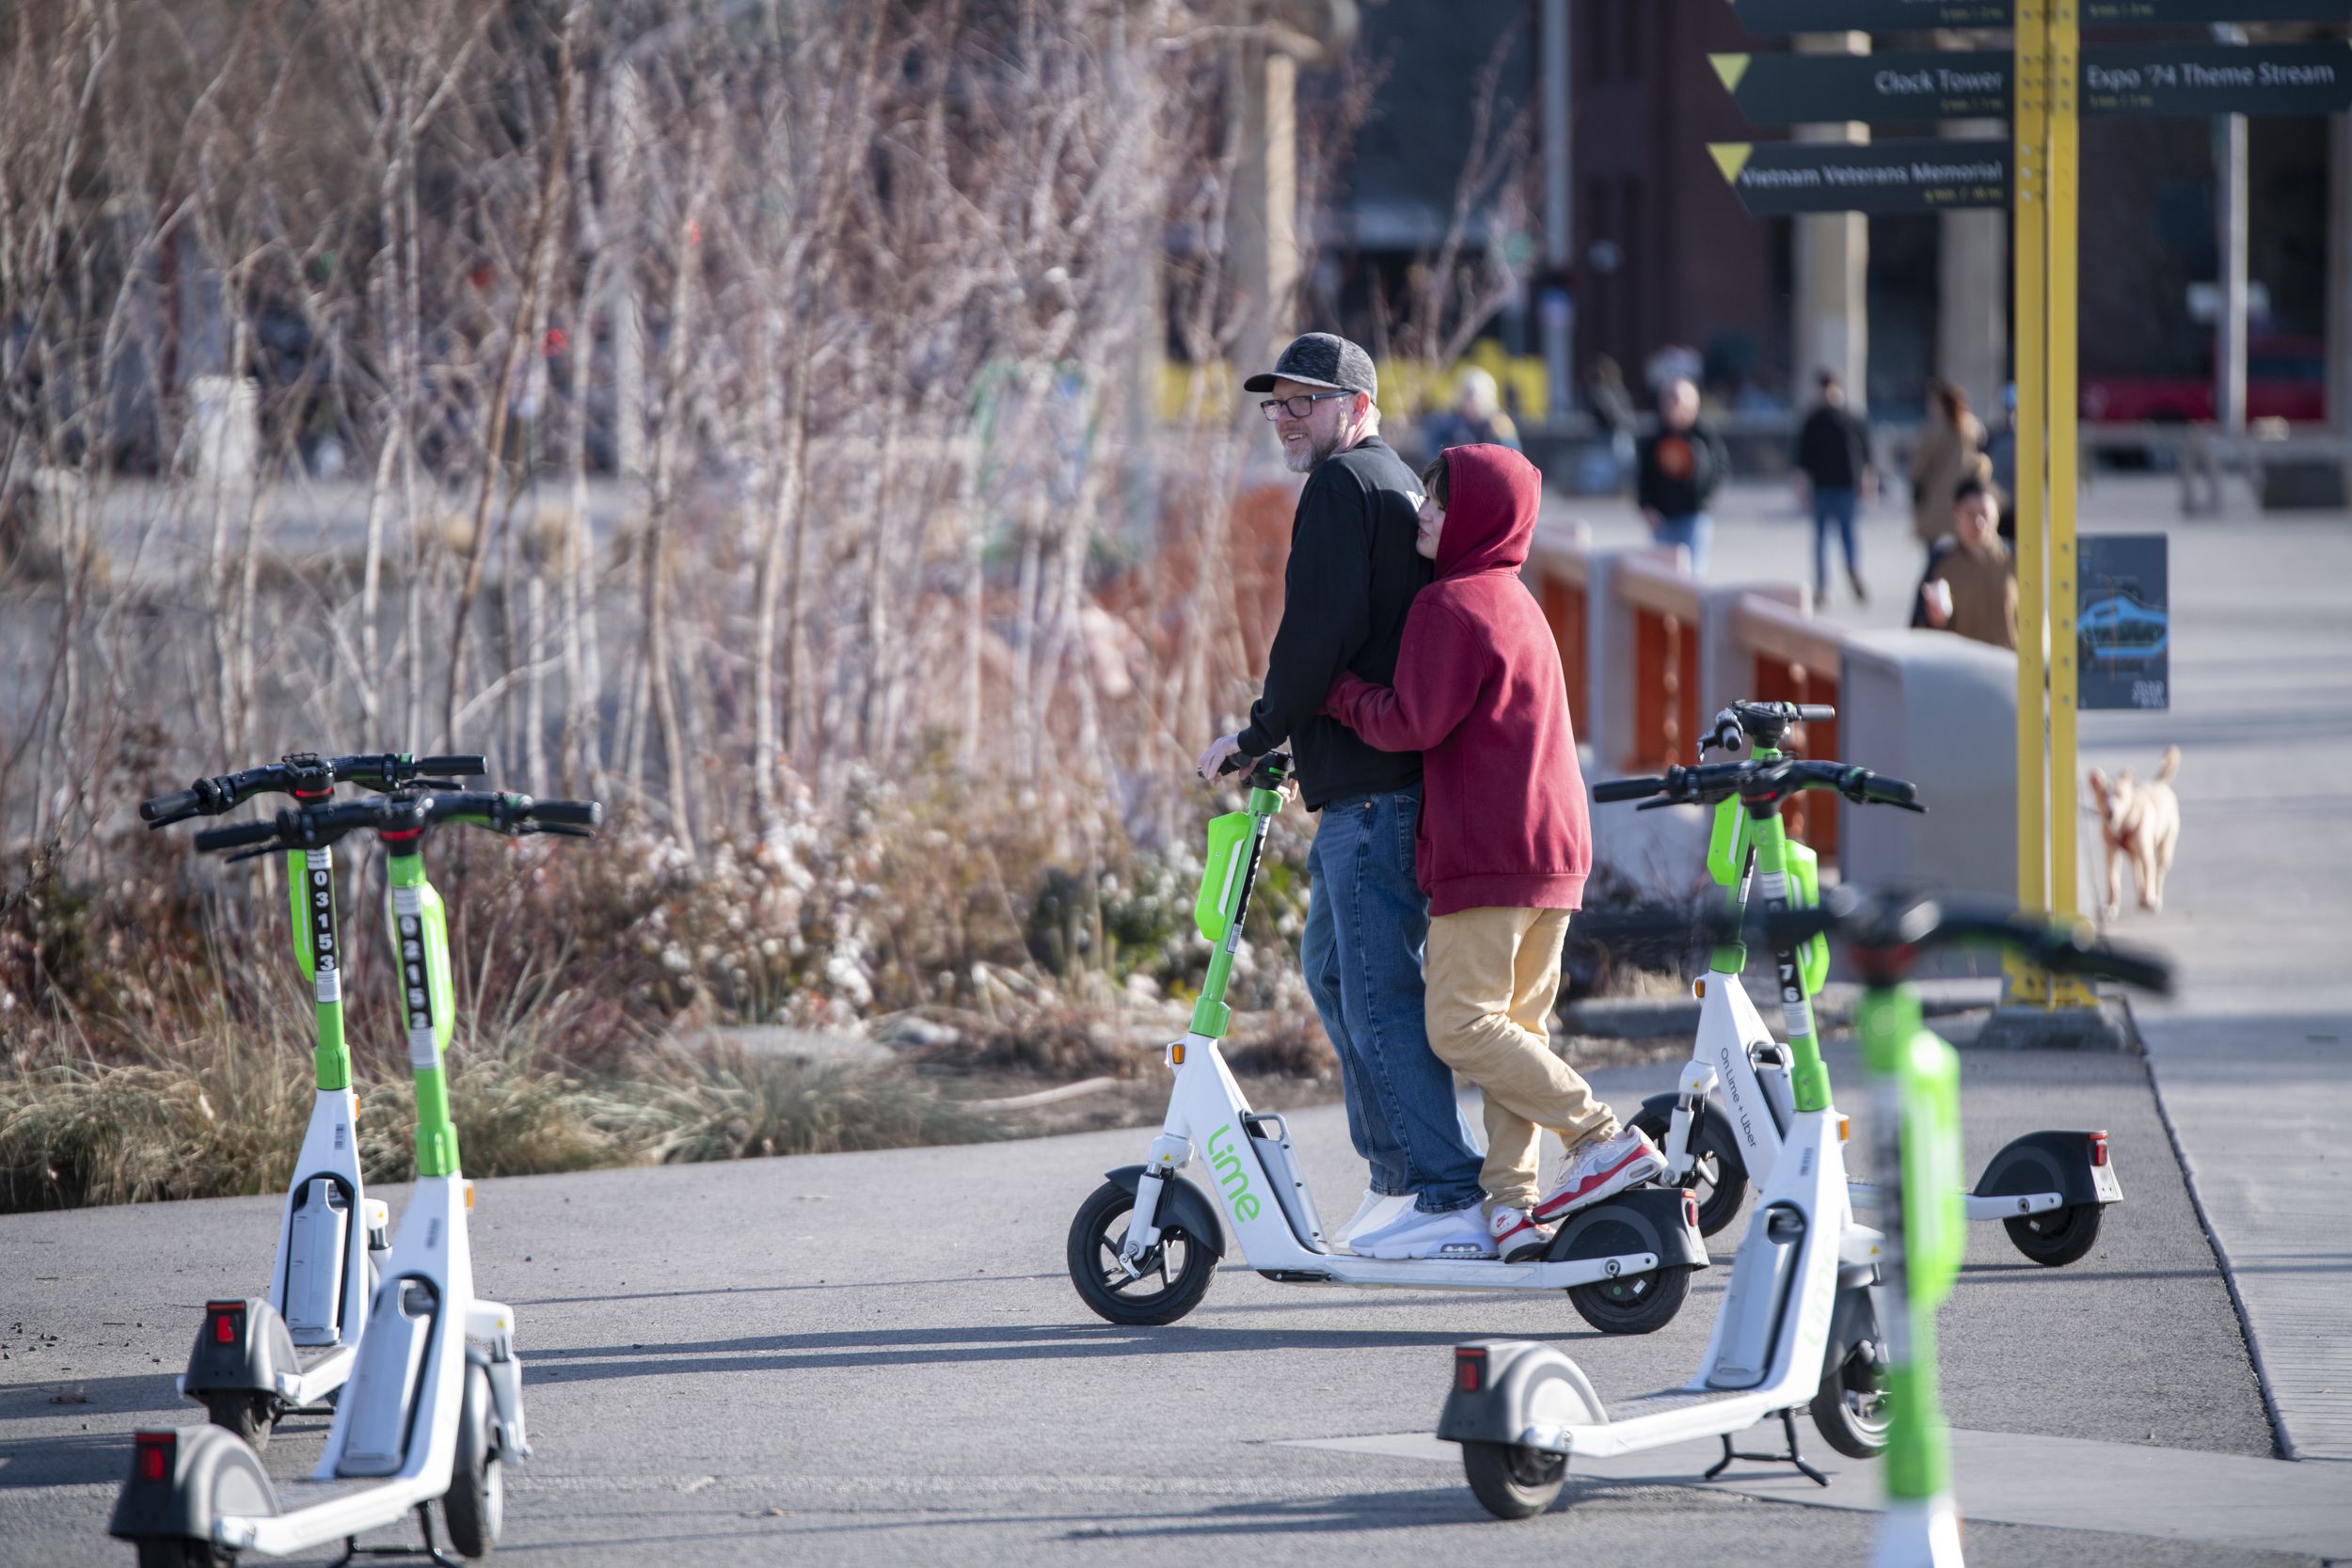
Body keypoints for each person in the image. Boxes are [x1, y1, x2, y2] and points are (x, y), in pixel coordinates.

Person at [1322, 444, 1663, 1260]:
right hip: (1554, 854)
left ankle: (1602, 1135)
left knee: (1460, 1022)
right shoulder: (1516, 601)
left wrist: (1334, 691)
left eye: (1440, 503)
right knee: (1517, 1029)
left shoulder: (1451, 604)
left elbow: (1410, 723)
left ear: (1478, 517)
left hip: (1491, 854)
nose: (1424, 515)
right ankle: (1512, 1206)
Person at [1194, 331, 1486, 1250]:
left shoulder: (1339, 485)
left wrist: (1256, 731)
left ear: (1356, 406)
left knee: (1375, 993)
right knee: (1336, 972)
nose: (1285, 418)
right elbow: (1363, 633)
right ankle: (1399, 1179)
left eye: (1304, 402)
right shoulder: (1395, 482)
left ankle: (1444, 1195)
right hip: (1380, 778)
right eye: (1276, 403)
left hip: (1372, 794)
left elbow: (1317, 632)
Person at [1791, 369, 1873, 606]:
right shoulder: (1813, 420)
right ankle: (1822, 586)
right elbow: (1802, 457)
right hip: (1821, 487)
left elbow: (1866, 452)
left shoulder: (1852, 417)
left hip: (1847, 486)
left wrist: (1867, 481)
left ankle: (1852, 569)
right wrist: (1801, 486)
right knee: (1820, 539)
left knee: (1847, 534)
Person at [1635, 375, 1727, 574]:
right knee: (1664, 573)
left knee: (1693, 572)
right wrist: (1646, 506)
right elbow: (1643, 476)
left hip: (1694, 514)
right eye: (1668, 399)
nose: (1671, 405)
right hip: (1663, 517)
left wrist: (1707, 499)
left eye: (1677, 400)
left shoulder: (1704, 434)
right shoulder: (1654, 439)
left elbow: (1720, 468)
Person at [1920, 476, 2016, 650]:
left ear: (1998, 512)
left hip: (2008, 666)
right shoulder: (1943, 565)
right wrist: (1936, 621)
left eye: (1984, 513)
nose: (1978, 522)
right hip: (1963, 669)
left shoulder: (2014, 560)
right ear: (1956, 514)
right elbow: (1920, 633)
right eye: (1970, 514)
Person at [1908, 378, 1985, 556]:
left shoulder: (1934, 429)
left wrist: (1916, 484)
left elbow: (1919, 464)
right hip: (1963, 496)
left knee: (1935, 553)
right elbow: (1980, 457)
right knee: (1963, 547)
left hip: (1936, 497)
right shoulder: (1972, 427)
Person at [1419, 366, 1521, 458]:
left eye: (1478, 396)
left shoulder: (1500, 425)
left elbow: (1512, 459)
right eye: (1468, 395)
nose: (1473, 401)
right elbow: (1433, 458)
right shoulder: (1447, 425)